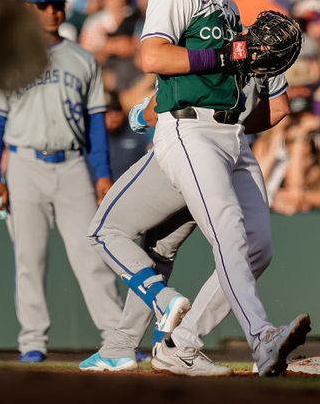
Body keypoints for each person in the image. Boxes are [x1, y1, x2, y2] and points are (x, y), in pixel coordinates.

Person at [87, 0, 310, 378]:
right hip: (190, 130)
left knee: (258, 246)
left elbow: (275, 110)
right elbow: (152, 54)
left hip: (232, 132)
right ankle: (262, 337)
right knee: (226, 230)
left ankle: (180, 344)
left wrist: (266, 77)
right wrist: (229, 53)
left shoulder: (231, 10)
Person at [81, 73, 290, 374]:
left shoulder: (206, 27)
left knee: (103, 230)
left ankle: (164, 303)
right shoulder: (268, 40)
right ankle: (127, 345)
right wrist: (236, 127)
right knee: (160, 251)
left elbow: (165, 102)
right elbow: (279, 108)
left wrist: (140, 114)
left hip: (187, 145)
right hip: (228, 156)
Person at [0, 0, 123, 363]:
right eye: (42, 5)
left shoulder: (82, 58)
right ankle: (32, 342)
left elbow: (95, 123)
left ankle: (116, 338)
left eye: (56, 4)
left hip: (73, 163)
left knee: (93, 257)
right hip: (24, 163)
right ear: (29, 9)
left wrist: (103, 173)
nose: (51, 11)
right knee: (30, 258)